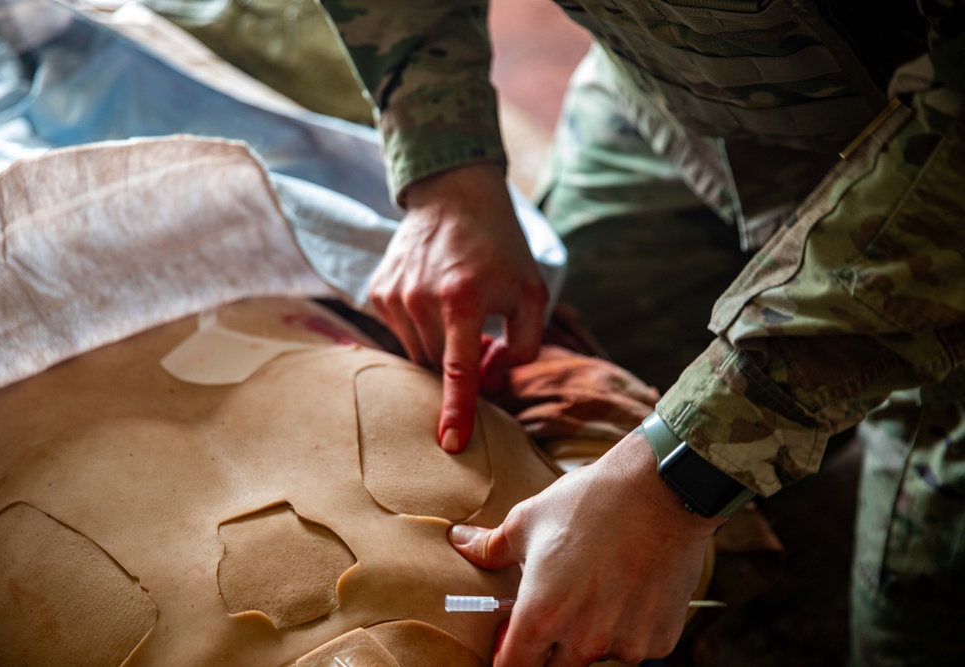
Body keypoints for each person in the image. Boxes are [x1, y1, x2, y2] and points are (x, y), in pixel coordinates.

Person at [317, 1, 965, 665]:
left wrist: (680, 476)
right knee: (572, 390)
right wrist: (445, 166)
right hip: (670, 95)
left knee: (913, 633)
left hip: (936, 188)